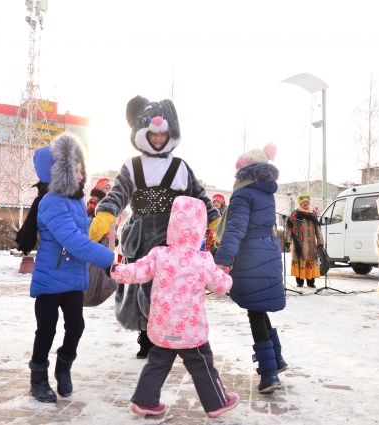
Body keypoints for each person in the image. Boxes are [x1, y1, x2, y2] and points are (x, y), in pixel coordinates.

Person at [88, 96, 220, 359]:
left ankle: (169, 335)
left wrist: (215, 220)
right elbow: (118, 193)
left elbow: (200, 196)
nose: (158, 138)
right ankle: (146, 337)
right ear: (141, 133)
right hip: (139, 237)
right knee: (141, 285)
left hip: (174, 237)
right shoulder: (132, 166)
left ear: (171, 132)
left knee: (169, 288)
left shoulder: (180, 167)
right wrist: (105, 213)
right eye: (152, 133)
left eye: (163, 133)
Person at [109, 196, 239, 418]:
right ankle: (217, 402)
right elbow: (220, 286)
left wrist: (114, 270)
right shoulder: (202, 259)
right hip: (190, 330)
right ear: (199, 227)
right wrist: (226, 277)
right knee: (202, 364)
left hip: (163, 327)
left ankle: (145, 401)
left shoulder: (160, 254)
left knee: (157, 361)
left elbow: (137, 271)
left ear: (173, 224)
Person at [22, 133, 115, 403]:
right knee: (46, 330)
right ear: (58, 172)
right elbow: (74, 242)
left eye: (80, 168)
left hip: (74, 277)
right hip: (51, 278)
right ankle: (38, 378)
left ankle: (64, 368)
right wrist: (110, 261)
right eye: (74, 169)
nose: (81, 174)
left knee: (76, 326)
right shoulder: (51, 202)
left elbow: (85, 236)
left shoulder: (74, 202)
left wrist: (104, 219)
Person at [214, 143, 288, 394]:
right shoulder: (266, 193)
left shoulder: (243, 195)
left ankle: (268, 374)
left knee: (255, 311)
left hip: (252, 256)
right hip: (268, 252)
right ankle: (276, 360)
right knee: (259, 307)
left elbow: (236, 228)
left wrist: (222, 260)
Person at [284, 194, 324, 288]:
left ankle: (310, 282)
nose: (306, 203)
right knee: (300, 260)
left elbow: (318, 229)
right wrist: (287, 240)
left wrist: (320, 241)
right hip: (299, 244)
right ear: (300, 203)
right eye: (303, 202)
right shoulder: (294, 214)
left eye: (307, 202)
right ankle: (300, 281)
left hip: (310, 244)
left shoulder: (313, 214)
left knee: (310, 261)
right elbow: (289, 228)